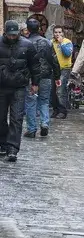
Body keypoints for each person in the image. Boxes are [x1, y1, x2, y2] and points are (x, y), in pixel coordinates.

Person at [0, 20, 41, 163]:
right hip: (1, 86)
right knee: (0, 117)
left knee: (16, 118)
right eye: (10, 35)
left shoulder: (27, 45)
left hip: (19, 86)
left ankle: (12, 149)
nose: (12, 37)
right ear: (5, 33)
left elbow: (34, 65)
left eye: (15, 35)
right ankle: (3, 143)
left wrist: (35, 83)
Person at [23, 18, 58, 139]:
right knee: (44, 101)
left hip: (30, 77)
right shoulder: (47, 42)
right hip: (45, 75)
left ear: (27, 29)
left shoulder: (24, 42)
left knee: (31, 102)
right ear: (39, 28)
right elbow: (54, 60)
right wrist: (57, 75)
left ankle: (32, 129)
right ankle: (44, 123)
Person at [51, 26, 73, 119]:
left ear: (63, 33)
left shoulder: (67, 42)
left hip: (64, 69)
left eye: (60, 32)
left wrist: (61, 44)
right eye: (56, 32)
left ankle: (62, 111)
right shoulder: (51, 42)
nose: (58, 34)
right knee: (52, 91)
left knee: (60, 90)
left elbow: (67, 54)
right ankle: (55, 110)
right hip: (53, 69)